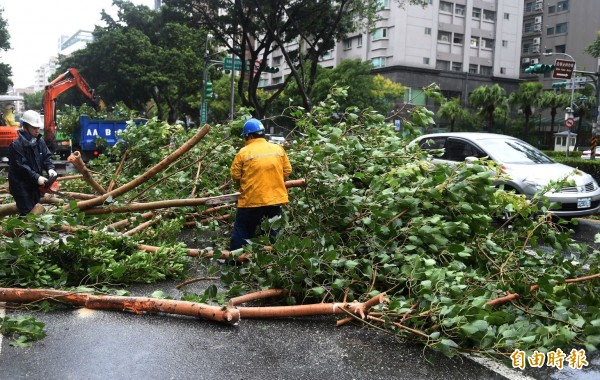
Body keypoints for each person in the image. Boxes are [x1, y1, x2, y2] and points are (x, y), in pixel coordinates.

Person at [229, 118, 292, 251]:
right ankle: (275, 259)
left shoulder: (243, 152)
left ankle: (236, 259)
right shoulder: (278, 149)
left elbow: (235, 175)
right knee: (274, 230)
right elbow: (287, 170)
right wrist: (274, 180)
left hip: (252, 200)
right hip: (275, 199)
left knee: (242, 229)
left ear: (250, 136)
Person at [8, 110, 56, 216]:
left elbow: (46, 157)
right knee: (28, 214)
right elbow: (21, 167)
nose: (37, 130)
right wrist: (37, 177)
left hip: (33, 185)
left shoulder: (39, 141)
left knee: (35, 210)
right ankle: (22, 231)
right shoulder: (16, 145)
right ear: (25, 127)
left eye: (38, 128)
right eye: (34, 128)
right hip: (20, 186)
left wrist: (50, 168)